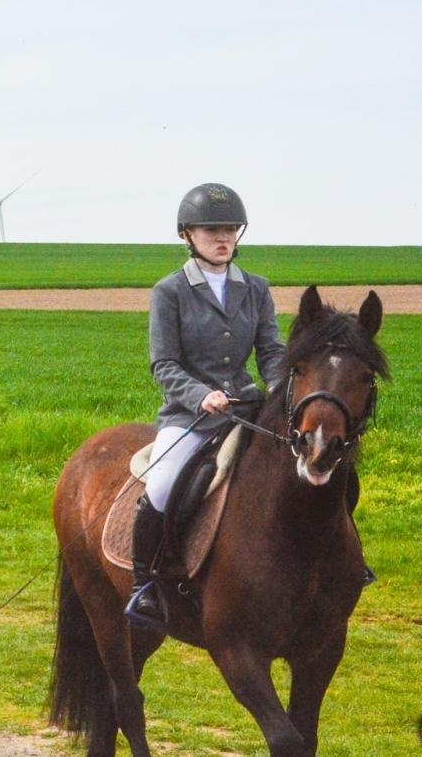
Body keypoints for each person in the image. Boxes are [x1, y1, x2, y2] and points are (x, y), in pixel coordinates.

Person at [127, 183, 284, 630]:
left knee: (308, 466)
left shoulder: (255, 288)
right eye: (212, 229)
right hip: (191, 416)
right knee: (161, 485)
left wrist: (278, 388)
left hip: (248, 408)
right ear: (187, 235)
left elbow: (271, 350)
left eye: (231, 229)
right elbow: (164, 364)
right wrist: (201, 395)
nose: (224, 237)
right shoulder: (169, 291)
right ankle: (145, 585)